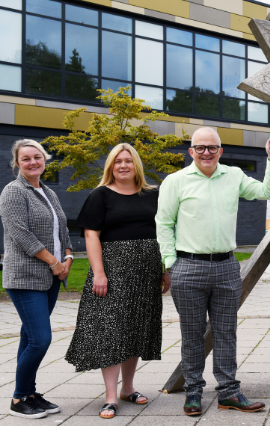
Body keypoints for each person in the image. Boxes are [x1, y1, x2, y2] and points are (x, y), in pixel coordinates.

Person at [156, 127, 270, 415]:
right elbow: (164, 223)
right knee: (193, 334)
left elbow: (267, 191)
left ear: (221, 151)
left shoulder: (233, 176)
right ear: (191, 151)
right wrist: (171, 263)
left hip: (226, 267)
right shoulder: (175, 182)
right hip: (188, 267)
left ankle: (228, 392)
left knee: (226, 333)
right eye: (200, 147)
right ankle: (193, 393)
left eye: (212, 147)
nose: (206, 153)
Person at [65, 143, 170, 419]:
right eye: (117, 161)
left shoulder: (153, 194)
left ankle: (129, 388)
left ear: (136, 164)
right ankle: (111, 395)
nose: (123, 165)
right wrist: (99, 272)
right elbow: (91, 236)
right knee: (111, 331)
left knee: (135, 328)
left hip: (146, 271)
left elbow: (163, 232)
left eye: (128, 160)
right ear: (110, 166)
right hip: (112, 270)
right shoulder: (100, 195)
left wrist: (163, 269)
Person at [0, 139, 73, 419]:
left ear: (45, 160)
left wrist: (67, 257)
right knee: (40, 339)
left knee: (29, 337)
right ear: (17, 163)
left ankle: (29, 393)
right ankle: (19, 399)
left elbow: (62, 229)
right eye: (26, 158)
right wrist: (53, 262)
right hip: (24, 277)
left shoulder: (48, 192)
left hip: (51, 276)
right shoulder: (13, 191)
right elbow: (20, 233)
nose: (32, 162)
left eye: (37, 157)